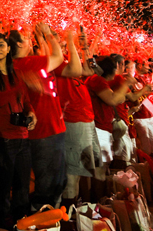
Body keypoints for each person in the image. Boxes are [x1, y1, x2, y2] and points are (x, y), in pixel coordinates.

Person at [8, 24, 83, 210]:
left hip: (51, 130)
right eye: (26, 37)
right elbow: (57, 57)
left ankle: (48, 216)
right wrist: (49, 35)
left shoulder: (28, 63)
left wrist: (46, 39)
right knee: (48, 185)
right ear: (18, 44)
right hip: (44, 132)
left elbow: (74, 69)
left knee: (55, 181)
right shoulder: (25, 63)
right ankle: (41, 217)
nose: (30, 40)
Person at [0, 33, 36, 228]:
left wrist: (31, 113)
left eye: (1, 45)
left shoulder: (17, 73)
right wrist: (21, 84)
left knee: (22, 187)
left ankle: (21, 223)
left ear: (9, 49)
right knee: (2, 188)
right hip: (3, 137)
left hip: (22, 136)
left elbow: (26, 100)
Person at [57, 30, 100, 206]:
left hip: (85, 120)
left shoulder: (67, 61)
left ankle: (78, 208)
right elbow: (79, 69)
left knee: (83, 170)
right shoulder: (55, 63)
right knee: (73, 172)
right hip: (73, 120)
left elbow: (89, 70)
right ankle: (69, 211)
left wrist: (84, 47)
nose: (61, 42)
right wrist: (70, 40)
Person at [85, 55, 137, 184]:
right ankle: (99, 194)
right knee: (100, 168)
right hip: (99, 128)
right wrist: (125, 84)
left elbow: (118, 99)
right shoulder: (96, 80)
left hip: (102, 128)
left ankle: (102, 191)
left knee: (104, 166)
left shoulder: (97, 80)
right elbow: (113, 99)